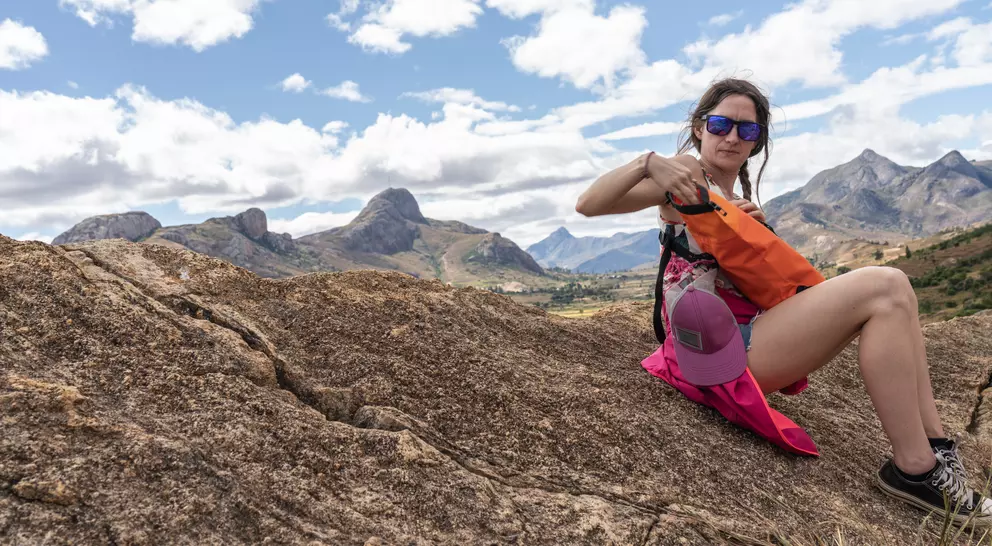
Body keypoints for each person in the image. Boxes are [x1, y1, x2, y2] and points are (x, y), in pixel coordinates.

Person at [574, 77, 992, 527]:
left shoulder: (741, 202)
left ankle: (937, 451)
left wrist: (754, 233)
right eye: (721, 124)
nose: (732, 137)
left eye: (747, 131)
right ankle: (914, 468)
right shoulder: (683, 183)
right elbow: (588, 205)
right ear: (699, 127)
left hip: (744, 341)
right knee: (885, 284)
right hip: (708, 358)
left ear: (757, 143)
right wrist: (648, 163)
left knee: (898, 296)